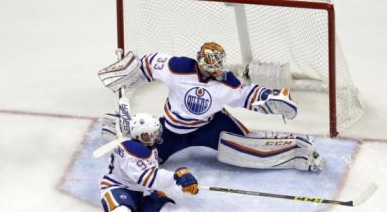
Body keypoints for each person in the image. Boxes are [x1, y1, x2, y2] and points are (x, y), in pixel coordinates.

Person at [98, 42, 323, 172]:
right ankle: (114, 126)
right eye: (215, 64)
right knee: (144, 156)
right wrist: (130, 69)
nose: (220, 68)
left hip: (210, 126)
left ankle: (298, 153)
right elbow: (148, 64)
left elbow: (246, 93)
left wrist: (270, 97)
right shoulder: (178, 68)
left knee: (247, 150)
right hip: (172, 130)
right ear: (204, 63)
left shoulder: (226, 82)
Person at [62, 113, 239, 212]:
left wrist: (170, 185)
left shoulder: (146, 147)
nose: (154, 137)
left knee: (173, 210)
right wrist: (177, 176)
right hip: (118, 189)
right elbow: (148, 178)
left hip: (143, 193)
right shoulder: (133, 151)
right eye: (149, 135)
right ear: (139, 135)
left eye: (155, 133)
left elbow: (150, 180)